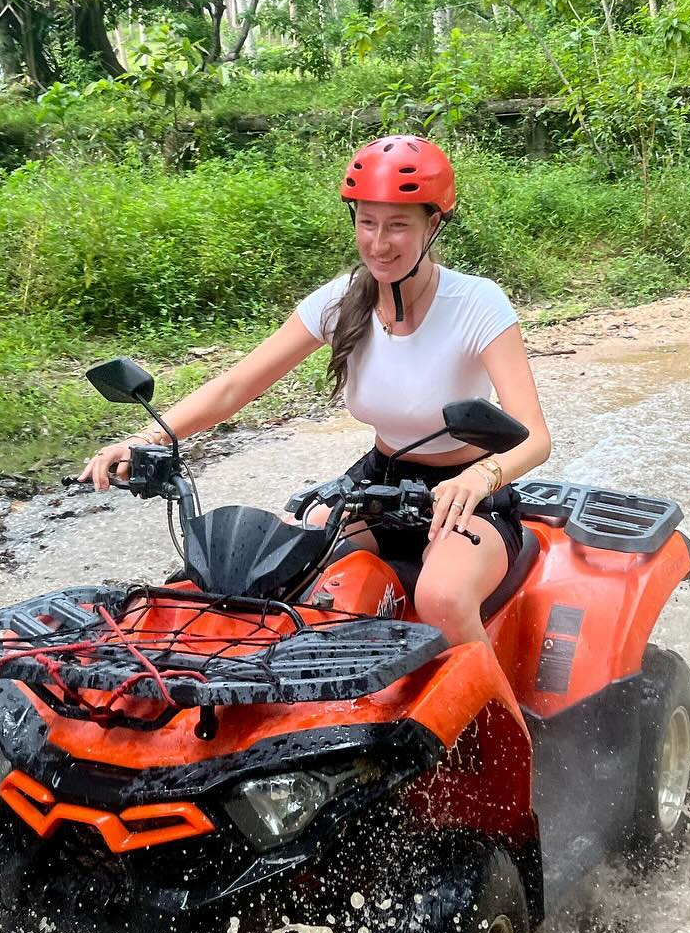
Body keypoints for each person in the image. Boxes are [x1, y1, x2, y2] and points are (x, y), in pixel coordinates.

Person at [79, 135, 551, 649]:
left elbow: (534, 437)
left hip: (467, 498)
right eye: (367, 223)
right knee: (276, 574)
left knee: (443, 597)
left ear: (432, 225)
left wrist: (480, 477)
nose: (379, 242)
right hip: (377, 489)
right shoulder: (340, 301)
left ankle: (501, 728)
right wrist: (149, 437)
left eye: (398, 225)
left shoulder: (476, 302)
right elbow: (237, 384)